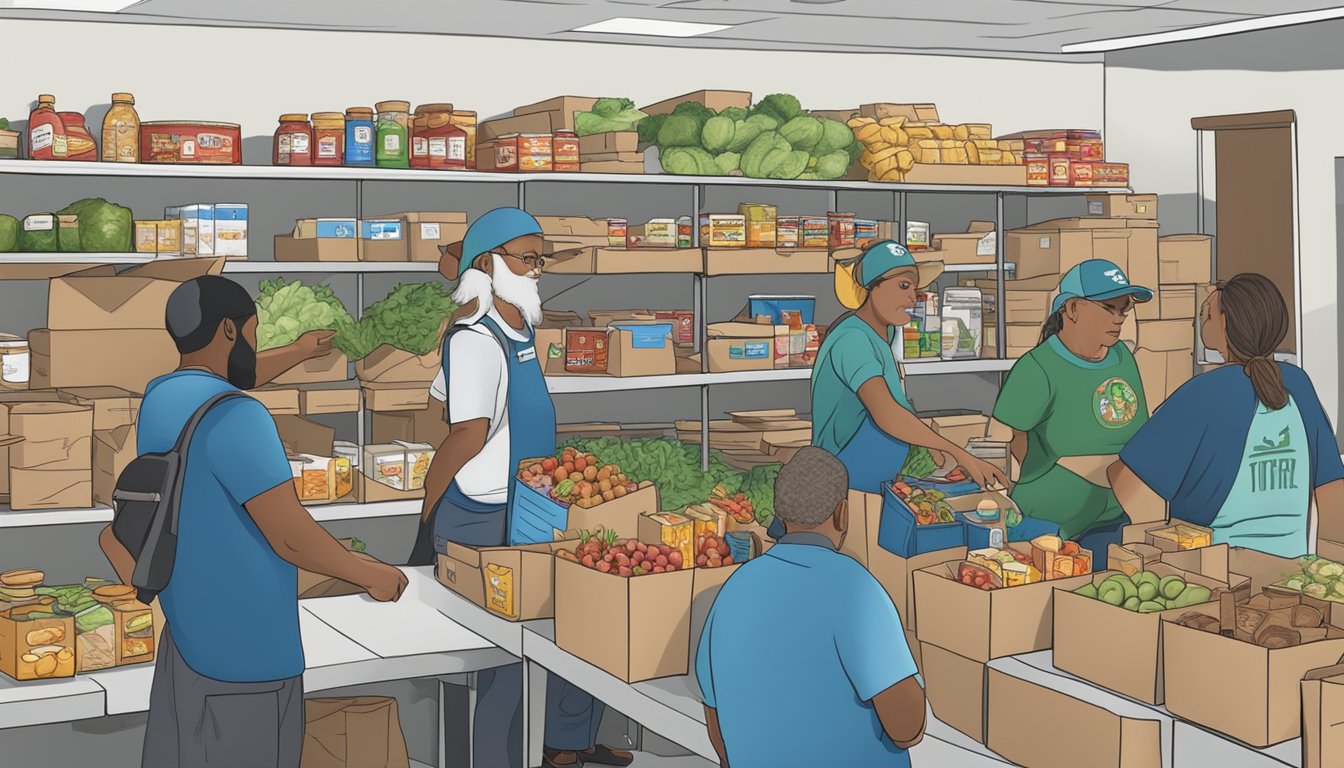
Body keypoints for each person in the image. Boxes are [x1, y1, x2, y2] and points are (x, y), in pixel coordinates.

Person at [97, 276, 408, 768]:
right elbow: (289, 536)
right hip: (247, 659)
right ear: (227, 329)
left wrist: (300, 350)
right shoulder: (242, 418)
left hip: (187, 638)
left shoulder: (162, 397)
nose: (256, 341)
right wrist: (370, 574)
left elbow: (233, 376)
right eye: (253, 331)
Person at [409, 208, 631, 768]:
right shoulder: (473, 337)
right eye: (526, 258)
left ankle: (563, 744)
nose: (537, 270)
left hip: (531, 505)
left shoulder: (517, 326)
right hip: (485, 516)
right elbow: (464, 432)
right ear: (488, 263)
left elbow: (440, 398)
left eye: (540, 259)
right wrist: (431, 502)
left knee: (569, 635)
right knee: (504, 662)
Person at [696, 447, 926, 768]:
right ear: (842, 514)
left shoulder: (733, 589)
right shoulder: (855, 589)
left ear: (780, 513)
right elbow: (907, 727)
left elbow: (717, 720)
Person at [1110, 274, 1344, 557]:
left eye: (1206, 313)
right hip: (1291, 578)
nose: (1201, 321)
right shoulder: (1299, 384)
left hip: (1214, 579)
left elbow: (1126, 483)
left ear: (1225, 321)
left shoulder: (1204, 392)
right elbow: (1333, 492)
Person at [803, 240, 1008, 505]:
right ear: (872, 287)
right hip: (842, 485)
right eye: (903, 286)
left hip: (872, 481)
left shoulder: (881, 335)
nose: (913, 296)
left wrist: (929, 446)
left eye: (915, 288)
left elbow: (896, 407)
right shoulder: (853, 340)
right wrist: (958, 452)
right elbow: (886, 412)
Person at [991, 259, 1154, 559]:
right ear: (1072, 309)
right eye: (1108, 308)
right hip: (1049, 527)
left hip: (1112, 519)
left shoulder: (1123, 358)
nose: (1118, 319)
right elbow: (1006, 438)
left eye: (1123, 310)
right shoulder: (1037, 367)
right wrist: (1056, 475)